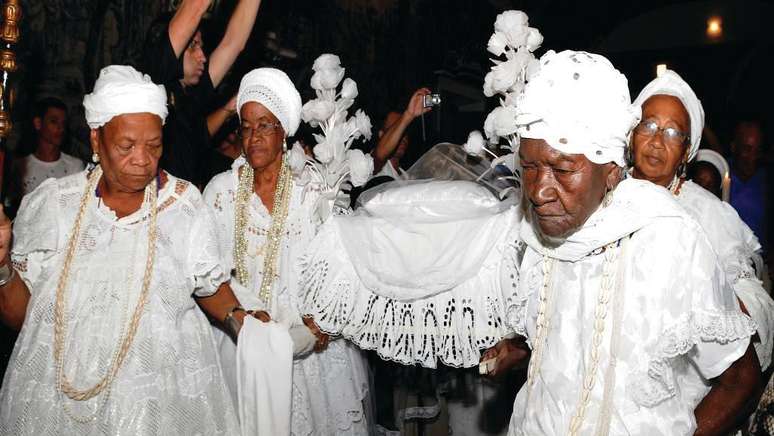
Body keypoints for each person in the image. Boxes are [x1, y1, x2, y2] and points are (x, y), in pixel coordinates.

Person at [488, 50, 759, 435]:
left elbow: (740, 378)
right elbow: (562, 341)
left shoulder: (671, 236)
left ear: (612, 171)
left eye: (563, 169)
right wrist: (517, 353)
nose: (538, 190)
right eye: (529, 167)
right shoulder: (535, 231)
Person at [0, 66, 248, 433]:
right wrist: (3, 267)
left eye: (154, 145)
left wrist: (241, 320)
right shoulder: (54, 206)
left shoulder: (184, 206)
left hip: (159, 404)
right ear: (97, 140)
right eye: (126, 146)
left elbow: (209, 286)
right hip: (62, 406)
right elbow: (23, 317)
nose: (143, 160)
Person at [203, 68, 370, 435]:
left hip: (308, 351)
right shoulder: (220, 191)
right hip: (241, 343)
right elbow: (206, 273)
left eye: (265, 125)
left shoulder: (314, 190)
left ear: (283, 131)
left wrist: (319, 324)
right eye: (246, 127)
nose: (254, 137)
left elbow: (341, 270)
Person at [630, 69, 774, 374]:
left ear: (685, 152)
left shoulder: (706, 210)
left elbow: (753, 301)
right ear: (632, 133)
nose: (657, 141)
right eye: (649, 124)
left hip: (675, 372)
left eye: (672, 132)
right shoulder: (601, 192)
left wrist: (700, 301)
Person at [141, 0, 261, 187]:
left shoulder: (189, 96)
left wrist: (229, 108)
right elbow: (195, 7)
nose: (202, 56)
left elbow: (234, 42)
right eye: (193, 46)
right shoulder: (155, 78)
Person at [8, 98, 84, 204]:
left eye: (63, 123)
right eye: (54, 121)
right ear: (38, 123)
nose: (60, 128)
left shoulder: (74, 166)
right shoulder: (21, 166)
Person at [371, 88, 433, 180]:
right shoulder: (373, 165)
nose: (401, 136)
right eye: (394, 129)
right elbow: (379, 155)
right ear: (381, 135)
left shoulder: (407, 177)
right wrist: (409, 115)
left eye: (404, 130)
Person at [729, 119, 769, 254]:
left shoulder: (767, 182)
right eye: (747, 149)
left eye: (757, 151)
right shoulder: (717, 175)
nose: (753, 157)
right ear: (734, 147)